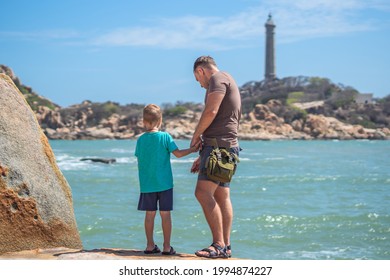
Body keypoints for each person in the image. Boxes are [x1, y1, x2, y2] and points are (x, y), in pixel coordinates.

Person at [190, 56, 241, 258]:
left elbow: (211, 111)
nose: (201, 85)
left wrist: (196, 136)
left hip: (218, 148)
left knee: (202, 193)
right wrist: (203, 154)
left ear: (200, 71)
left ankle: (218, 244)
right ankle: (226, 247)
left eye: (197, 79)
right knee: (221, 195)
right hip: (227, 147)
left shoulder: (216, 80)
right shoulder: (229, 78)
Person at [135, 104, 199, 255]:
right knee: (165, 215)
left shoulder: (141, 140)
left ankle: (150, 246)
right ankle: (166, 247)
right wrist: (192, 149)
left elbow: (140, 158)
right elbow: (177, 154)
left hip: (147, 184)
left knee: (149, 215)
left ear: (144, 121)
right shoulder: (165, 137)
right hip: (164, 184)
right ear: (160, 121)